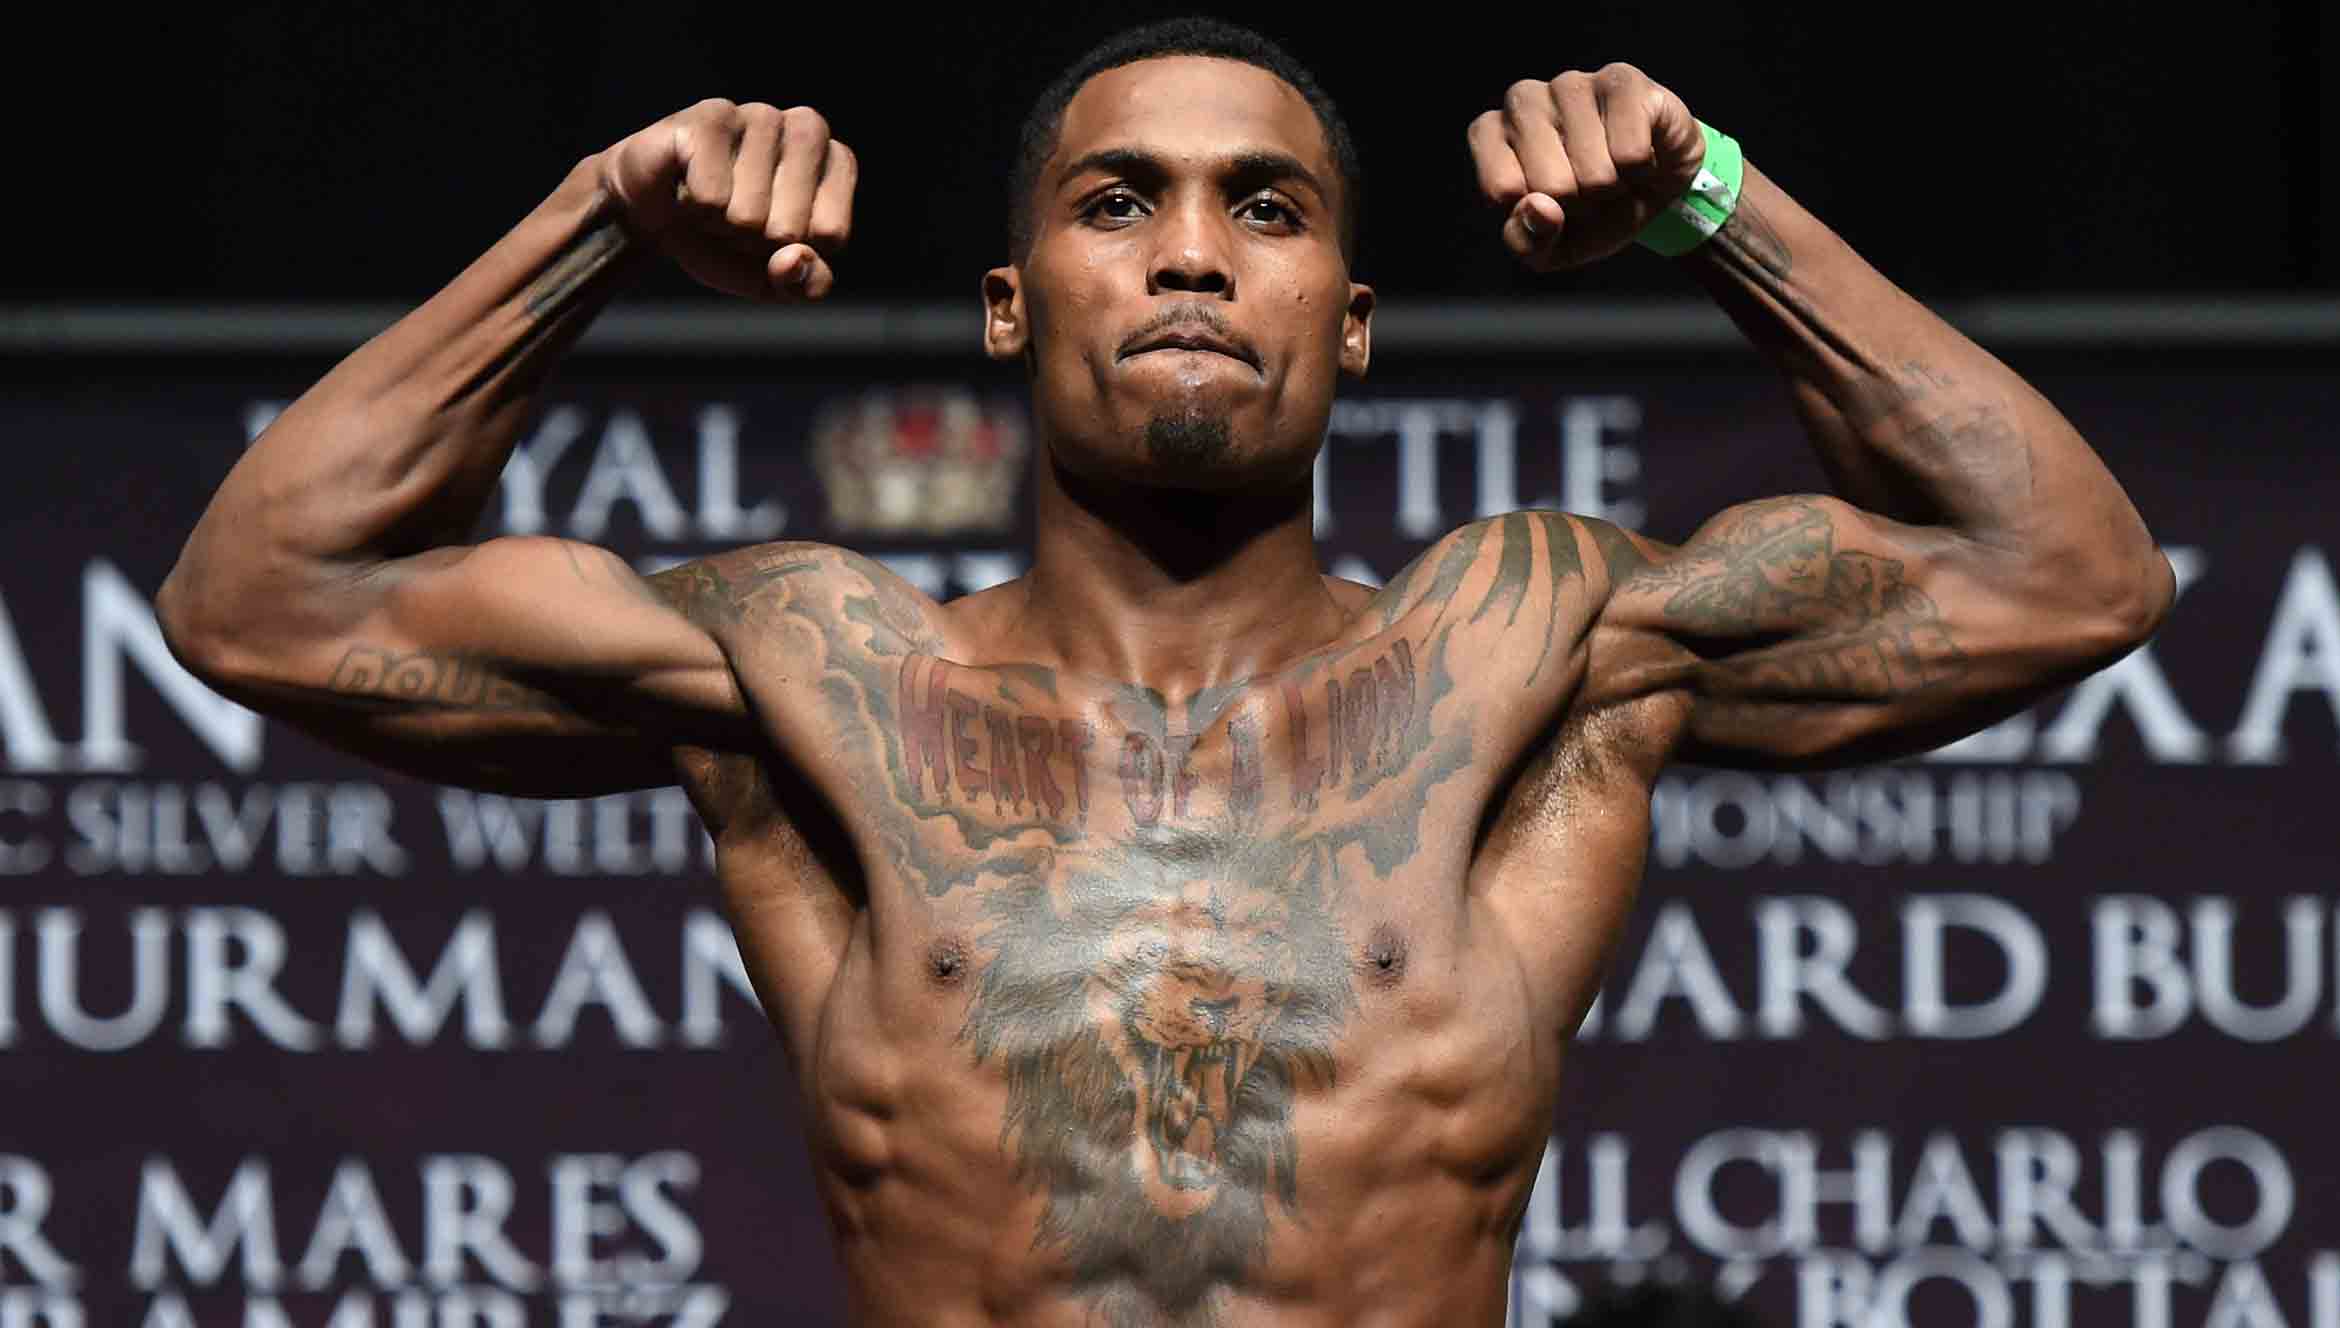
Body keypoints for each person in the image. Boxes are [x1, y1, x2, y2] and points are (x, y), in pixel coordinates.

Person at [157, 17, 2174, 1326]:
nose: (1193, 254)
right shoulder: (816, 674)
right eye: (1119, 203)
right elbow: (261, 599)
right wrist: (602, 217)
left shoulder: (1532, 646)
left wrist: (1710, 205)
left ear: (1352, 319)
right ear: (1012, 304)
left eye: (1264, 209)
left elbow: (2068, 573)